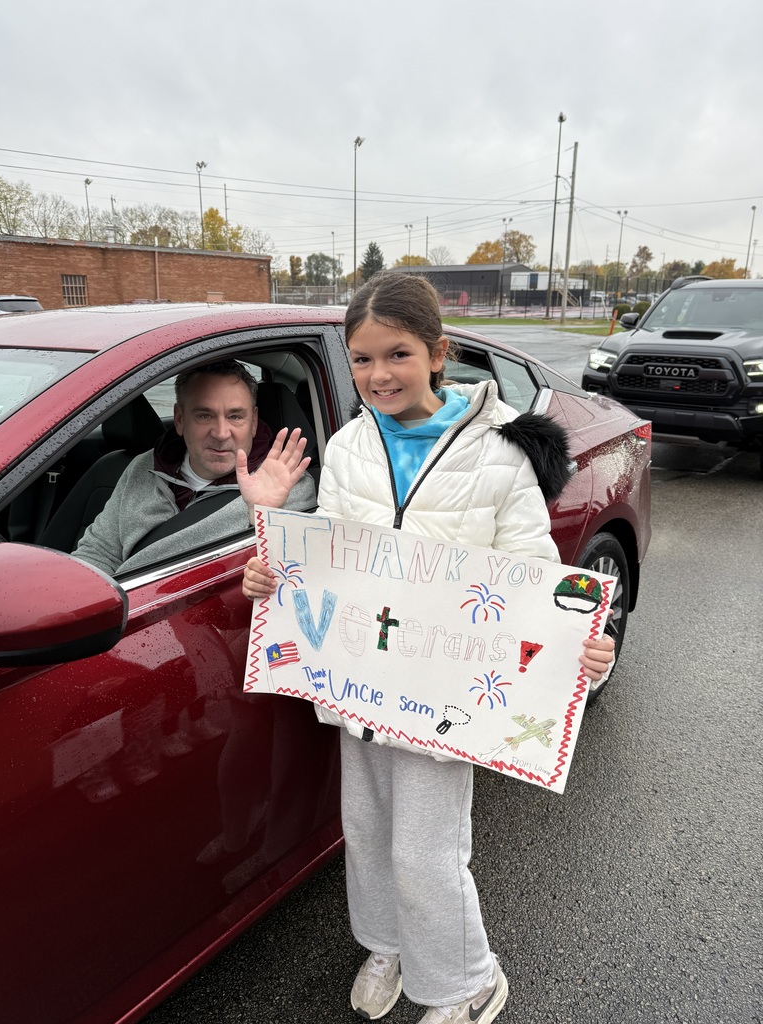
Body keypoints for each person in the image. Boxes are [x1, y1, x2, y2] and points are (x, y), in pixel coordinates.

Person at [241, 274, 614, 1024]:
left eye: (399, 354)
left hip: (449, 693)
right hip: (362, 681)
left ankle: (466, 980)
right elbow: (333, 561)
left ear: (438, 353)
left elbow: (532, 570)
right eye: (363, 359)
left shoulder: (500, 454)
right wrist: (271, 569)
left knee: (428, 852)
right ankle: (388, 943)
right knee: (369, 830)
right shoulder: (348, 446)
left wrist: (583, 638)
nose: (379, 375)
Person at [74, 359, 315, 576]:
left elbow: (288, 576)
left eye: (235, 416)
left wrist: (260, 518)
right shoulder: (142, 467)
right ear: (179, 420)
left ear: (253, 422)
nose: (221, 433)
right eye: (204, 416)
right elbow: (98, 553)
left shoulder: (287, 485)